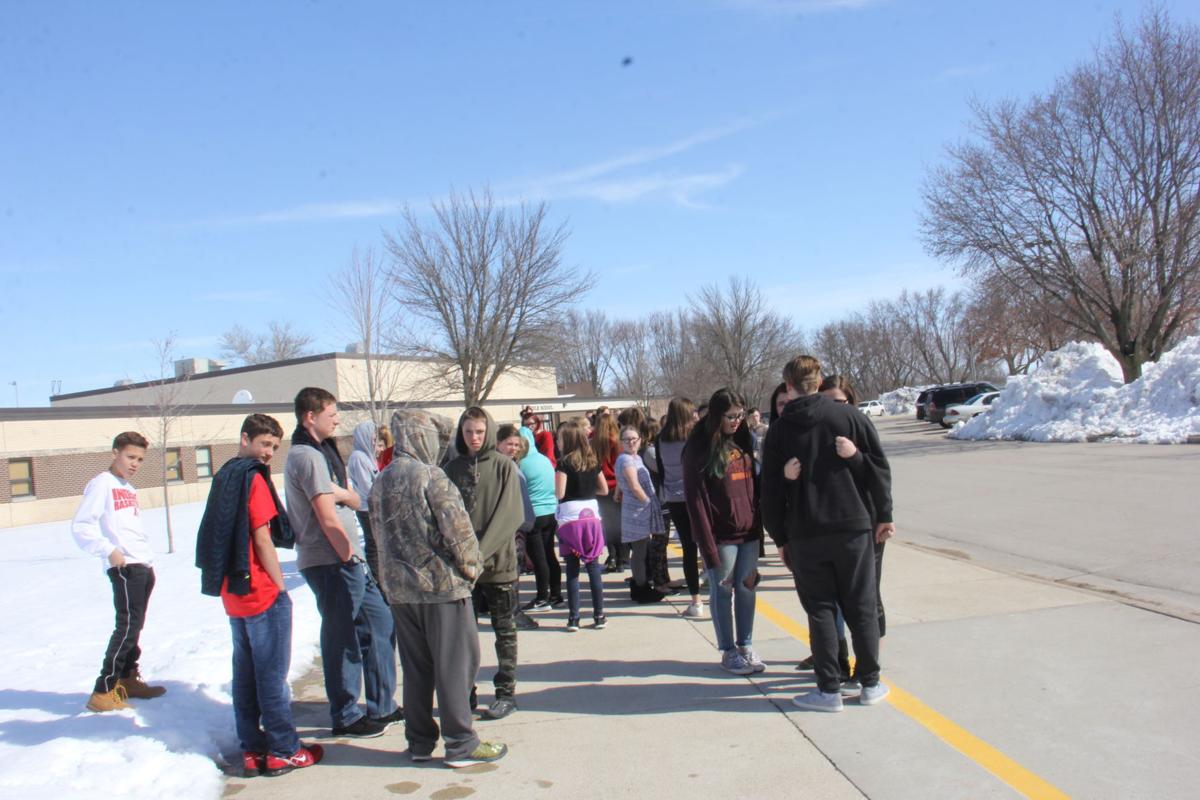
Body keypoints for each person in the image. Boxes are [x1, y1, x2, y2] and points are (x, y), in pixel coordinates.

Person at [369, 410, 508, 768]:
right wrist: (472, 569)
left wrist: (387, 581)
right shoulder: (432, 478)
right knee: (455, 667)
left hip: (401, 593)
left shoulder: (381, 481)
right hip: (443, 591)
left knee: (416, 671)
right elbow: (459, 534)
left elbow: (376, 540)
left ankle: (418, 741)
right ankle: (460, 742)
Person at [761, 356, 895, 712]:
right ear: (819, 382)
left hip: (805, 532)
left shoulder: (779, 430)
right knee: (861, 604)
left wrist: (779, 536)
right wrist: (883, 514)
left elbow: (768, 492)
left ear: (787, 385)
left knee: (820, 608)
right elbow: (880, 468)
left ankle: (828, 689)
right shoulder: (849, 417)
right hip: (852, 527)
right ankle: (870, 683)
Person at [196, 414, 323, 777]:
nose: (268, 453)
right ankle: (284, 749)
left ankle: (252, 748)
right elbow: (262, 536)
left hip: (232, 591)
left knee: (246, 674)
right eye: (264, 444)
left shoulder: (224, 476)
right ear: (245, 438)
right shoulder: (251, 478)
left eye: (274, 448)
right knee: (271, 676)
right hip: (260, 591)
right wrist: (280, 586)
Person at [284, 387, 401, 738]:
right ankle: (346, 714)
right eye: (331, 414)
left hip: (351, 558)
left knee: (380, 621)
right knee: (342, 637)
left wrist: (346, 498)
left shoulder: (324, 453)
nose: (337, 420)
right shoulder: (307, 456)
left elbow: (351, 497)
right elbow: (326, 515)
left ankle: (383, 706)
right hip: (332, 560)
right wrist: (346, 553)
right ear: (310, 416)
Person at [792, 375, 888, 684]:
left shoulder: (857, 425)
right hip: (831, 528)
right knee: (829, 606)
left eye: (841, 402)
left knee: (866, 600)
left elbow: (879, 473)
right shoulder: (813, 430)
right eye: (828, 401)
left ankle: (869, 666)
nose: (834, 407)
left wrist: (855, 456)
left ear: (850, 402)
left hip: (865, 523)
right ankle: (839, 663)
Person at [72, 431, 167, 712]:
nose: (135, 463)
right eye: (130, 457)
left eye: (140, 459)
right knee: (126, 627)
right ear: (115, 453)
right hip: (124, 566)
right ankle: (103, 690)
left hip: (142, 564)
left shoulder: (126, 486)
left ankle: (127, 677)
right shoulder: (103, 484)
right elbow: (82, 526)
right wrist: (109, 550)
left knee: (135, 626)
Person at [445, 407, 527, 721]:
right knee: (464, 636)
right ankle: (465, 693)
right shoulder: (452, 469)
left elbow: (511, 514)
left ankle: (506, 693)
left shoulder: (504, 466)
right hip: (463, 570)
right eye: (469, 432)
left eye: (480, 431)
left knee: (504, 631)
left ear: (488, 431)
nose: (475, 438)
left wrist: (480, 554)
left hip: (499, 565)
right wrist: (464, 557)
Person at [684, 389, 765, 676]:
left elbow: (755, 488)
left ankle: (746, 645)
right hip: (721, 537)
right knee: (723, 591)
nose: (737, 421)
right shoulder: (698, 448)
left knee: (747, 589)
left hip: (749, 534)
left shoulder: (745, 440)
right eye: (731, 416)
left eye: (741, 416)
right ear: (717, 416)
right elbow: (695, 501)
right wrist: (707, 545)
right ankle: (728, 650)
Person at [554, 419, 610, 631]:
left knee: (572, 569)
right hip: (591, 518)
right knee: (594, 566)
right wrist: (587, 493)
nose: (557, 442)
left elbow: (559, 493)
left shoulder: (563, 464)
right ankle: (599, 615)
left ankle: (574, 618)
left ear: (566, 440)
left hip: (570, 520)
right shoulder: (592, 462)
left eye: (559, 439)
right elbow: (604, 490)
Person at [657, 397, 705, 618]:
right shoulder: (695, 436)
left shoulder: (660, 439)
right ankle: (721, 591)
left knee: (688, 548)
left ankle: (695, 600)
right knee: (708, 544)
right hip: (697, 495)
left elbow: (661, 471)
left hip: (674, 498)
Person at [494, 424, 541, 631]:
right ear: (498, 444)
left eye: (516, 445)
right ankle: (511, 613)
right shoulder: (501, 466)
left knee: (514, 570)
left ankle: (511, 611)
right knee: (510, 572)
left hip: (519, 526)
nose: (513, 448)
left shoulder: (513, 464)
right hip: (509, 527)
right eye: (509, 444)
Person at [616, 425, 666, 604]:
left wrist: (618, 494)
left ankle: (642, 585)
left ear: (640, 440)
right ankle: (641, 587)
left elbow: (620, 487)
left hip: (638, 509)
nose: (631, 442)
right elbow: (634, 485)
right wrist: (648, 503)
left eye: (634, 439)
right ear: (621, 442)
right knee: (639, 551)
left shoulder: (634, 457)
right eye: (627, 439)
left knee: (641, 549)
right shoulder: (627, 460)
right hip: (637, 511)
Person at [516, 426, 564, 611]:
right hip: (550, 513)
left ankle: (542, 597)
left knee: (538, 559)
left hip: (533, 515)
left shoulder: (521, 464)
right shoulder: (544, 459)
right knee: (549, 554)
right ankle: (556, 595)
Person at [347, 420, 384, 594]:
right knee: (373, 543)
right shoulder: (359, 458)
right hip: (366, 508)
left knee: (378, 542)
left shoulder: (368, 456)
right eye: (373, 438)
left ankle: (380, 574)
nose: (375, 441)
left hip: (374, 506)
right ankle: (376, 578)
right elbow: (366, 486)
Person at [592, 413, 623, 573]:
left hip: (599, 487)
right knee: (618, 523)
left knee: (607, 524)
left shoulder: (593, 443)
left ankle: (611, 555)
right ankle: (620, 559)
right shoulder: (616, 442)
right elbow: (619, 467)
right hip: (614, 486)